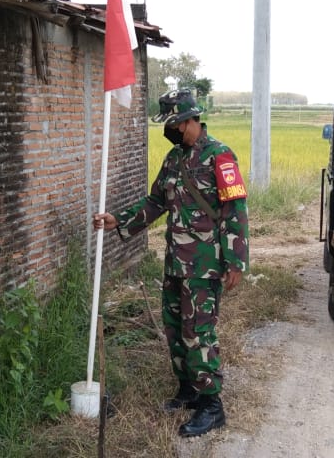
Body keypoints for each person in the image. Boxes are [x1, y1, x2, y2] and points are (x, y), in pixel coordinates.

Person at [92, 89, 249, 437]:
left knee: (198, 332)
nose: (169, 130)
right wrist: (120, 220)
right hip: (176, 263)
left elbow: (235, 210)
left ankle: (212, 404)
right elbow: (155, 202)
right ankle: (188, 388)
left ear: (188, 120)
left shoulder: (220, 155)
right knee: (175, 328)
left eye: (172, 123)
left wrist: (236, 261)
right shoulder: (174, 159)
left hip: (204, 265)